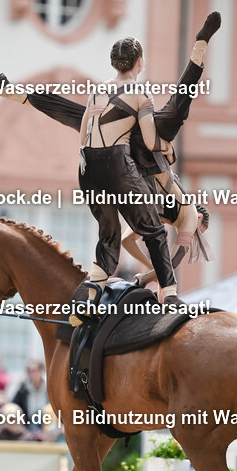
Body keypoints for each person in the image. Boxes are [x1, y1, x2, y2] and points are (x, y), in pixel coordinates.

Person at [0, 13, 223, 285]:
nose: (193, 240)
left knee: (76, 114)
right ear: (200, 218)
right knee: (177, 108)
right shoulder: (188, 214)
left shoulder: (161, 218)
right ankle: (200, 47)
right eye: (200, 233)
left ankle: (9, 89)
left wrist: (148, 271)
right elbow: (175, 260)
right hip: (149, 152)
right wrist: (151, 277)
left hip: (131, 155)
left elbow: (133, 243)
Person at [71, 37, 183, 322]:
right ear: (139, 62)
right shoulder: (140, 93)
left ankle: (89, 295)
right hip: (116, 163)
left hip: (86, 167)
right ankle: (169, 295)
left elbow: (84, 129)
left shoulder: (97, 90)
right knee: (154, 230)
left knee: (108, 233)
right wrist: (167, 148)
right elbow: (149, 140)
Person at [13, 360, 49, 431]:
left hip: (47, 424)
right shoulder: (23, 390)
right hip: (28, 425)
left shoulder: (50, 388)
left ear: (41, 371)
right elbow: (14, 406)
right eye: (30, 371)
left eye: (35, 371)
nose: (33, 374)